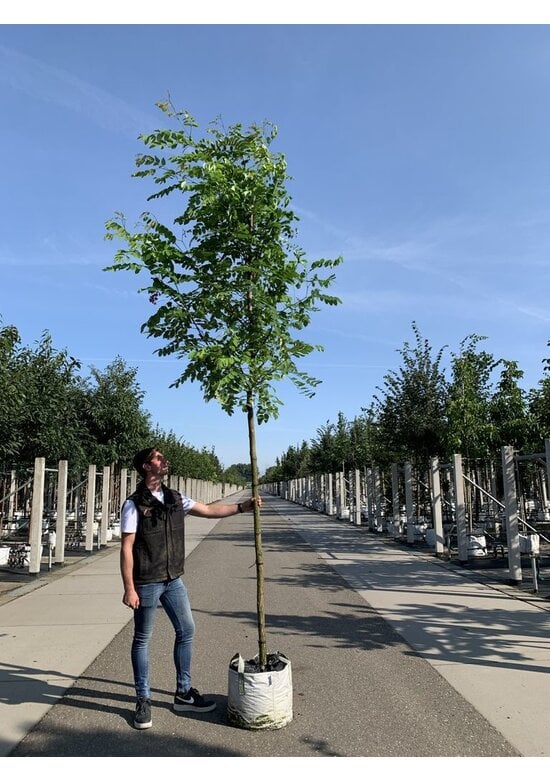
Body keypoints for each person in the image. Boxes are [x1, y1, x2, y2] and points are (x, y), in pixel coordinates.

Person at [120, 446, 261, 730]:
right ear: (146, 467)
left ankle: (183, 692)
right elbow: (126, 547)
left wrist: (241, 508)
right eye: (158, 458)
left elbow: (208, 510)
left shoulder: (175, 498)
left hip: (173, 579)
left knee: (187, 629)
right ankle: (143, 699)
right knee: (142, 639)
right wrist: (129, 588)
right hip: (147, 581)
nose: (164, 461)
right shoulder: (134, 504)